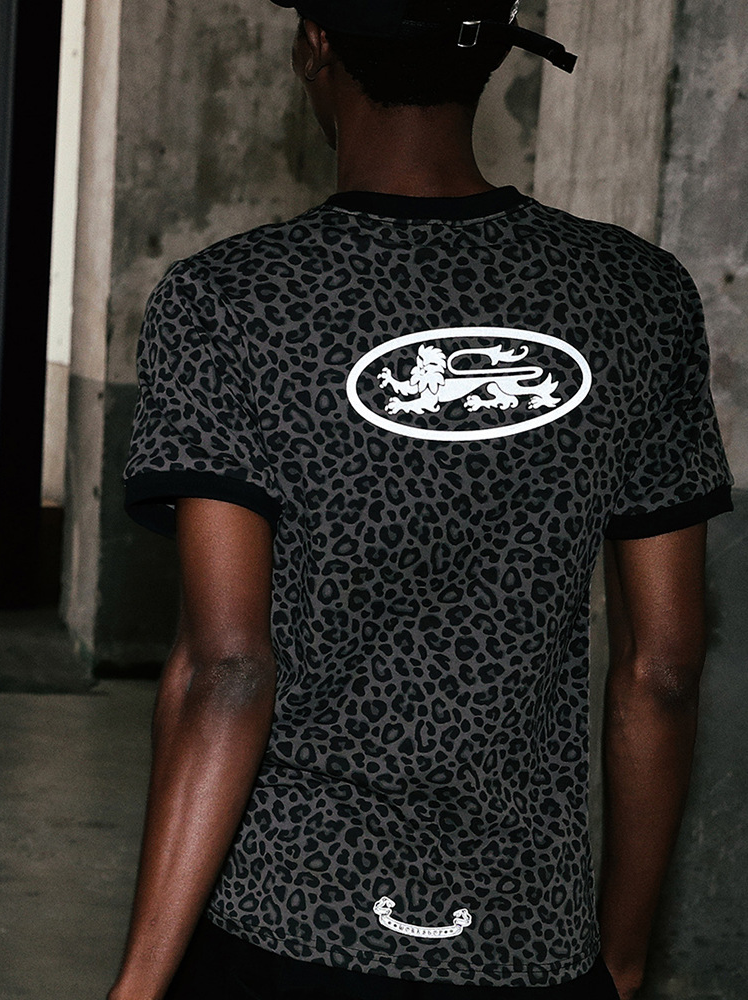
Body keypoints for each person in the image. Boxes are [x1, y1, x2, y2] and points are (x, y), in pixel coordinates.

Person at [113, 2, 733, 999]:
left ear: (314, 43)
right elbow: (662, 669)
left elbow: (226, 668)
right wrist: (619, 957)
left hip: (286, 918)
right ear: (494, 56)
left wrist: (139, 984)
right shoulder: (638, 297)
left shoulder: (230, 301)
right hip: (527, 935)